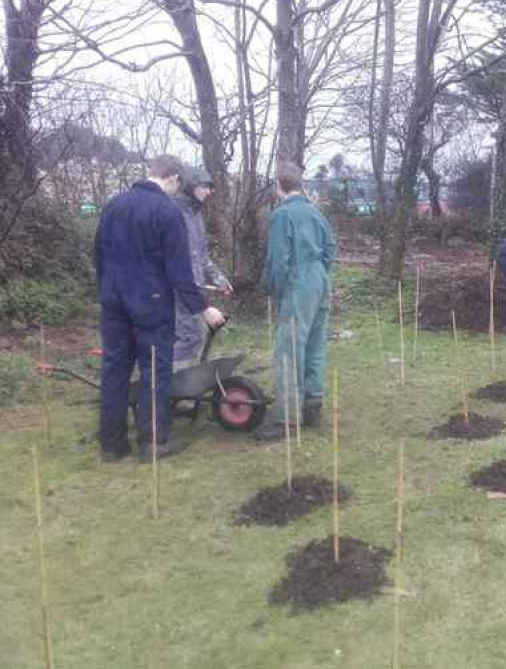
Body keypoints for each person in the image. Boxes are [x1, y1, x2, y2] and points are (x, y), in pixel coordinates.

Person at [94, 155, 225, 463]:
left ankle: (111, 445)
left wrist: (107, 292)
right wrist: (204, 308)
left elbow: (99, 256)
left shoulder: (113, 205)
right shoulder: (167, 211)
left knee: (114, 370)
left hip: (113, 303)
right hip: (151, 305)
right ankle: (153, 443)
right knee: (155, 371)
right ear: (174, 179)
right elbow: (180, 273)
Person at [254, 161, 336, 441]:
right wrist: (319, 274)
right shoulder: (315, 212)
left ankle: (286, 419)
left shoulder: (281, 215)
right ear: (299, 184)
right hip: (319, 281)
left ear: (278, 185)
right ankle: (313, 404)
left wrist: (277, 291)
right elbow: (330, 248)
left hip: (297, 283)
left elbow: (278, 261)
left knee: (288, 350)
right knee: (314, 343)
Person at [173, 167, 233, 370]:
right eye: (204, 187)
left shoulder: (195, 215)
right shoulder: (175, 213)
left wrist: (219, 279)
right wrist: (203, 302)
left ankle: (183, 385)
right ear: (190, 186)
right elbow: (182, 261)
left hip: (194, 289)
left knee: (195, 335)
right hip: (178, 289)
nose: (209, 192)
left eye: (210, 188)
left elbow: (201, 255)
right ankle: (174, 389)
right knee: (188, 336)